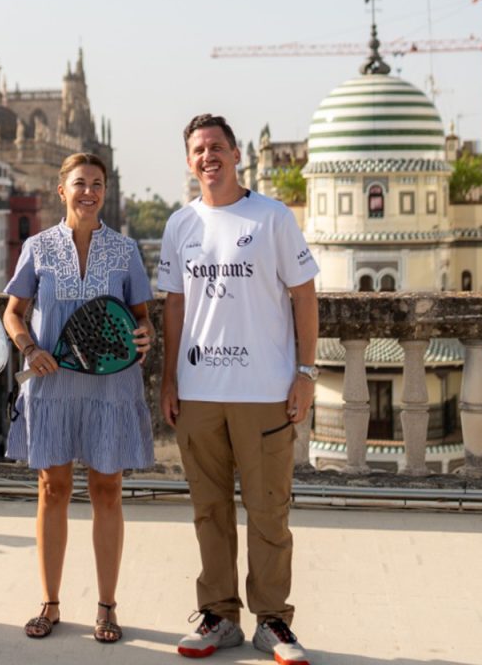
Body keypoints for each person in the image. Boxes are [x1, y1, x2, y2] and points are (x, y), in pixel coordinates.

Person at [158, 114, 319, 665]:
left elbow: (305, 295)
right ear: (189, 161)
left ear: (235, 154)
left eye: (217, 147)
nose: (208, 157)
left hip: (265, 390)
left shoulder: (272, 217)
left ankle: (272, 621)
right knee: (209, 511)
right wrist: (169, 377)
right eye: (199, 150)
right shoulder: (180, 224)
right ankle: (219, 616)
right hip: (199, 391)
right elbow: (175, 304)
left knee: (269, 511)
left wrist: (306, 372)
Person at [3, 152, 153, 644]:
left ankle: (107, 607)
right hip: (52, 386)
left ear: (104, 191)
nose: (88, 192)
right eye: (80, 183)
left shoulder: (125, 250)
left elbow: (141, 318)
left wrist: (146, 335)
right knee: (53, 490)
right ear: (61, 190)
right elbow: (13, 312)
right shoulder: (37, 247)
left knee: (108, 491)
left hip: (110, 387)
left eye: (97, 184)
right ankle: (50, 603)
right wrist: (29, 348)